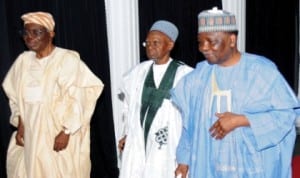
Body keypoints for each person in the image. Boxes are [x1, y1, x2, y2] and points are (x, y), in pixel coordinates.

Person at [172, 7, 299, 178]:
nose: (204, 48)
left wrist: (240, 120)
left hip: (250, 168)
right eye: (200, 42)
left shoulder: (261, 71)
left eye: (211, 41)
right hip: (207, 166)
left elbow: (287, 115)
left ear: (232, 40)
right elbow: (189, 125)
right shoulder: (197, 79)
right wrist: (183, 160)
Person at [2, 11, 104, 178]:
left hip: (57, 133)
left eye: (36, 32)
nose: (30, 37)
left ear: (51, 34)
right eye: (26, 33)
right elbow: (15, 96)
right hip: (32, 134)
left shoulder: (67, 59)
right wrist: (20, 121)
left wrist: (66, 131)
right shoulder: (23, 61)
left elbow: (80, 97)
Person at [117, 20, 193, 178]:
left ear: (170, 45)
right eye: (147, 42)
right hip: (138, 141)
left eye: (156, 42)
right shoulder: (138, 72)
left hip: (168, 143)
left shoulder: (185, 75)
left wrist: (186, 156)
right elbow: (128, 106)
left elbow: (192, 118)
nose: (150, 46)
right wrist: (126, 133)